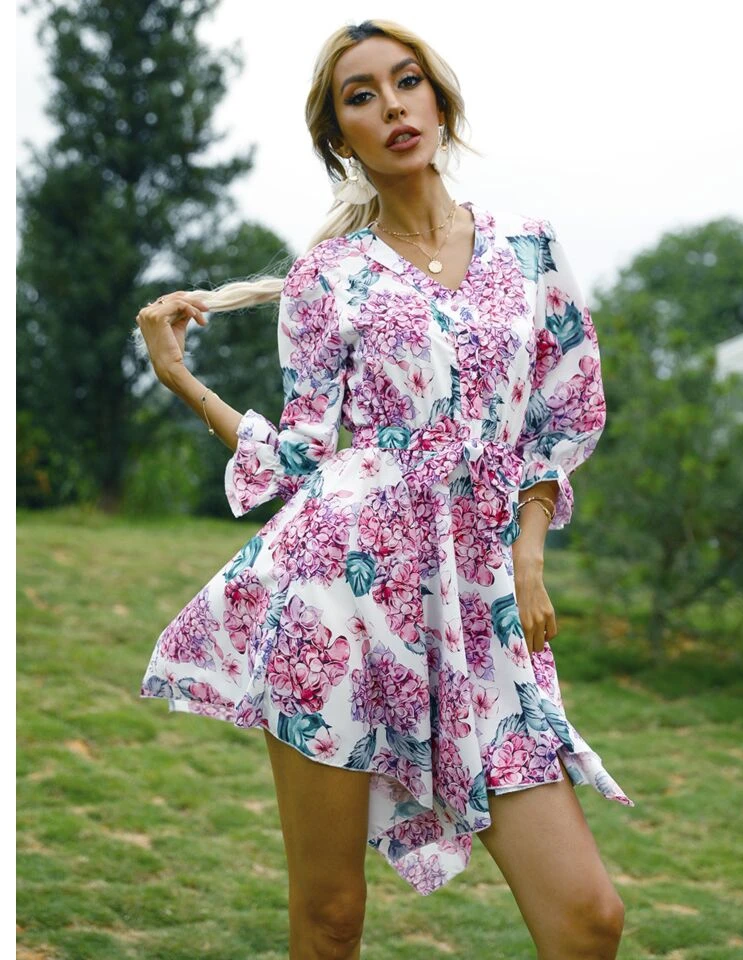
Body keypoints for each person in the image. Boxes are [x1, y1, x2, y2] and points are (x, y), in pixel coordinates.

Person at [135, 19, 635, 960]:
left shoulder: (529, 249)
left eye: (407, 82)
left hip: (483, 613)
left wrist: (529, 548)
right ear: (341, 138)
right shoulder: (329, 276)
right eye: (361, 97)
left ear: (440, 102)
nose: (393, 106)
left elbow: (563, 412)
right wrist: (183, 382)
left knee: (588, 918)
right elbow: (302, 456)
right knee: (330, 918)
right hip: (340, 606)